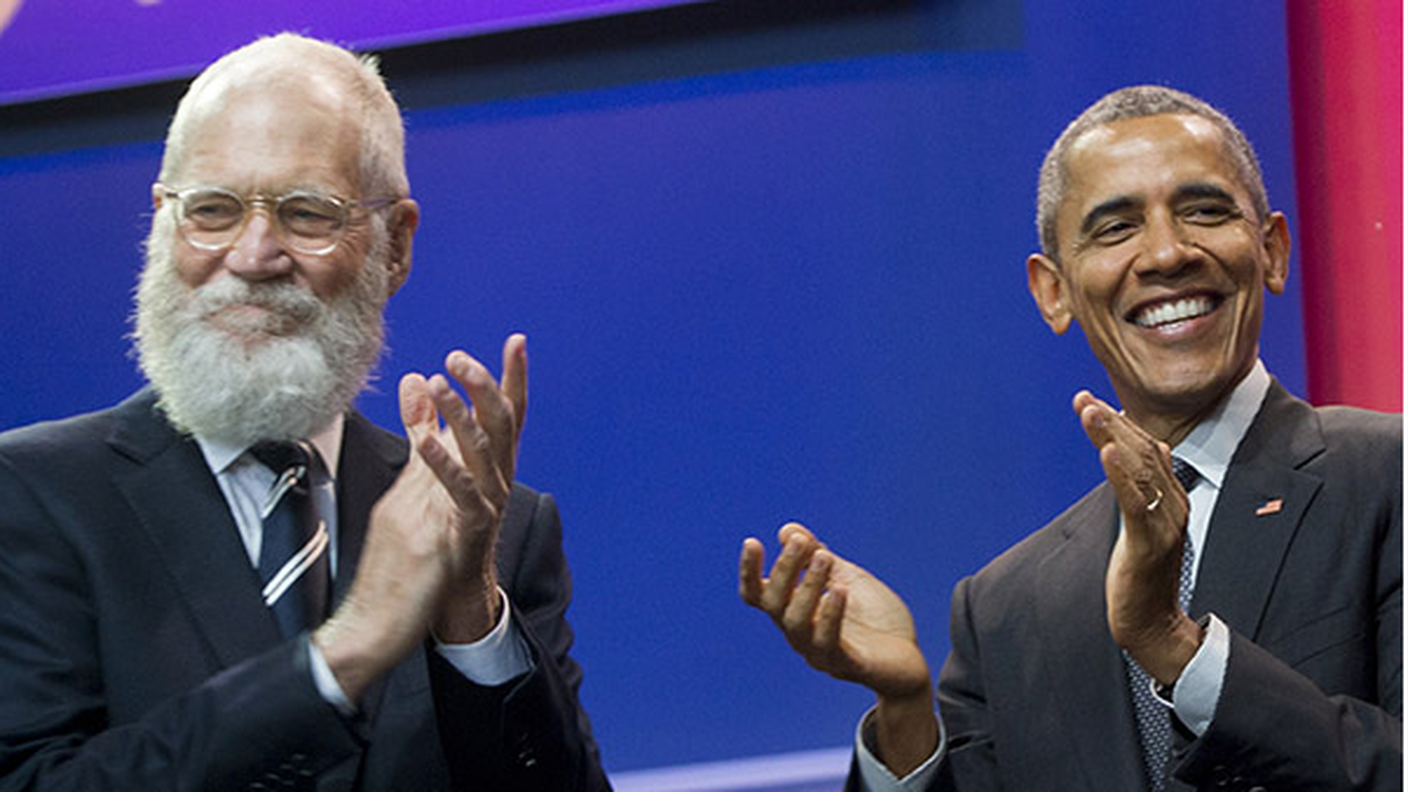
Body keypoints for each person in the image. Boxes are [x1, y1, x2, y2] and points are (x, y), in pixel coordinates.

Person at [740, 85, 1401, 791]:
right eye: (1116, 229)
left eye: (1204, 211)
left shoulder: (1388, 479)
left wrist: (1179, 651)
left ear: (1271, 250)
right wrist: (904, 711)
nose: (1167, 253)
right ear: (1052, 292)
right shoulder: (1003, 610)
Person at [0, 33, 609, 792]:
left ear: (395, 248)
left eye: (306, 214)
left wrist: (471, 614)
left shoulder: (494, 527)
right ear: (161, 223)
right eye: (213, 210)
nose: (254, 256)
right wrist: (339, 657)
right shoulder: (27, 497)